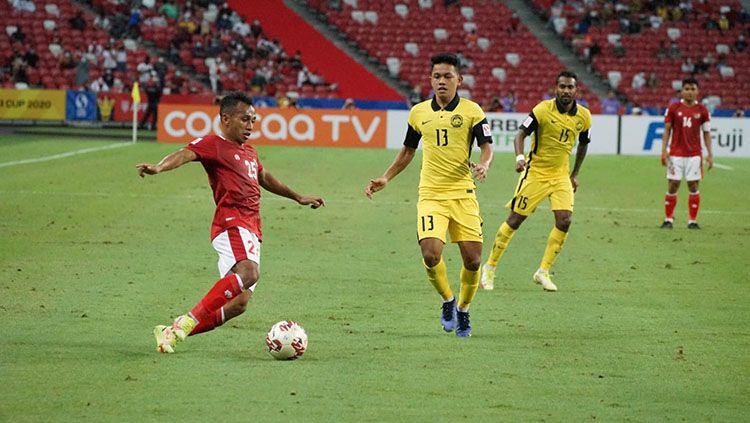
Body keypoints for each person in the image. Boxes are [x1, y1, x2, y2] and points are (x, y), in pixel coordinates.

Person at [136, 92, 325, 353]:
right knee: (249, 273)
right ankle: (185, 322)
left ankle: (172, 332)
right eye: (244, 119)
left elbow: (265, 177)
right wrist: (159, 167)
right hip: (231, 222)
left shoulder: (249, 152)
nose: (250, 126)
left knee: (238, 305)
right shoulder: (213, 144)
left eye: (253, 121)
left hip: (252, 228)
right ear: (225, 118)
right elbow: (184, 154)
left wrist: (298, 197)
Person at [364, 53, 493, 337]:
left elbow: (486, 145)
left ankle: (464, 309)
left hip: (463, 194)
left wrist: (484, 163)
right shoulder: (419, 113)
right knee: (431, 254)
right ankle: (448, 300)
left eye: (448, 76)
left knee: (472, 261)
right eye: (437, 77)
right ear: (430, 80)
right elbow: (408, 150)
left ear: (459, 80)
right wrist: (386, 177)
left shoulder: (473, 111)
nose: (442, 81)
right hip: (431, 194)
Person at [480, 70, 592, 292]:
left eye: (570, 87)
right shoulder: (542, 109)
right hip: (535, 174)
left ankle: (543, 271)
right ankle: (490, 267)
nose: (566, 91)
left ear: (576, 89)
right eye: (562, 87)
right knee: (515, 220)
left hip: (561, 176)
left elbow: (584, 143)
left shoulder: (584, 116)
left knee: (564, 220)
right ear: (555, 89)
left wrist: (574, 174)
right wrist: (520, 157)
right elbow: (520, 134)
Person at [660, 77, 712, 229]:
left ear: (697, 92)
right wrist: (664, 151)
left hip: (694, 154)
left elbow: (707, 133)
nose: (689, 92)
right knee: (673, 185)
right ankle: (668, 219)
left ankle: (692, 221)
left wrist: (710, 154)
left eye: (693, 89)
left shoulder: (702, 110)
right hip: (675, 153)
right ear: (682, 91)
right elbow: (667, 130)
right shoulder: (673, 108)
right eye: (687, 89)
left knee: (693, 185)